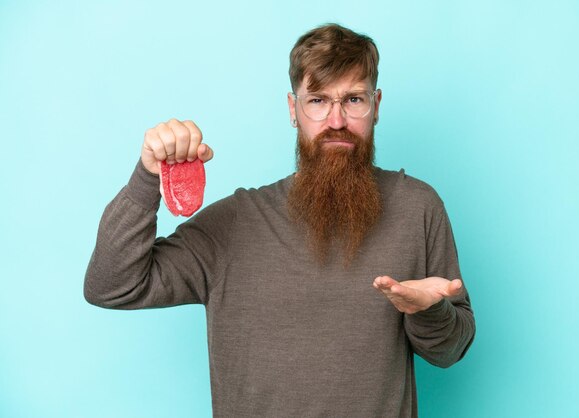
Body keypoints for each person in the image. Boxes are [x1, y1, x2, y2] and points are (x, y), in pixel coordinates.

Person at [84, 23, 475, 418]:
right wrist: (147, 176)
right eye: (318, 101)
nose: (336, 120)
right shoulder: (236, 223)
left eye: (353, 99)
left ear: (376, 105)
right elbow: (111, 286)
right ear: (293, 110)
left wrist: (428, 311)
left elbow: (451, 350)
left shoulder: (418, 207)